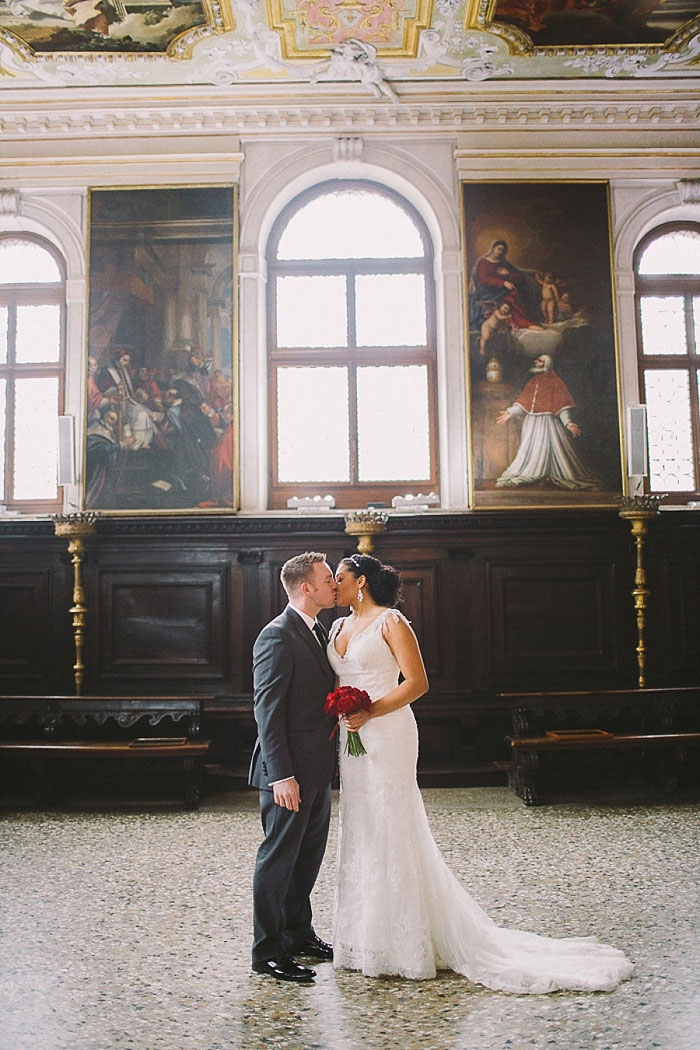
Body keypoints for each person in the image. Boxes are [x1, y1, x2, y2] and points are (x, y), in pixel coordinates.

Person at [327, 553, 634, 991]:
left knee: (392, 821)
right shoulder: (337, 627)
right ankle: (365, 938)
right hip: (351, 738)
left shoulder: (391, 622)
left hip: (388, 730)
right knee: (362, 824)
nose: (333, 585)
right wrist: (345, 712)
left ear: (361, 581)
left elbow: (417, 683)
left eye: (339, 578)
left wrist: (370, 709)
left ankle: (406, 942)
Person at [250, 552, 338, 983]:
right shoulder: (277, 636)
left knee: (306, 858)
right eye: (327, 579)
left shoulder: (318, 630)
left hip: (316, 768)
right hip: (286, 773)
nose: (334, 584)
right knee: (277, 860)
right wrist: (281, 774)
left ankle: (298, 934)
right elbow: (267, 711)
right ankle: (267, 951)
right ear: (306, 587)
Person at [495, 353, 601, 489]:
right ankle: (534, 473)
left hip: (548, 424)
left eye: (539, 361)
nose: (535, 362)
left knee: (551, 448)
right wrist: (510, 412)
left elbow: (562, 406)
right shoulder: (533, 381)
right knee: (529, 450)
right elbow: (524, 402)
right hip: (531, 423)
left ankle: (548, 475)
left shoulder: (556, 382)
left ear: (546, 364)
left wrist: (568, 423)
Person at [470, 240, 542, 329]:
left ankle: (526, 322)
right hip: (487, 290)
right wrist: (503, 282)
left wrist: (508, 274)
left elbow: (520, 276)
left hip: (501, 290)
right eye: (498, 249)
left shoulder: (503, 263)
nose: (500, 252)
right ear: (493, 248)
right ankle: (522, 323)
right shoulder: (483, 261)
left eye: (503, 251)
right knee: (511, 298)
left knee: (518, 293)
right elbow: (484, 279)